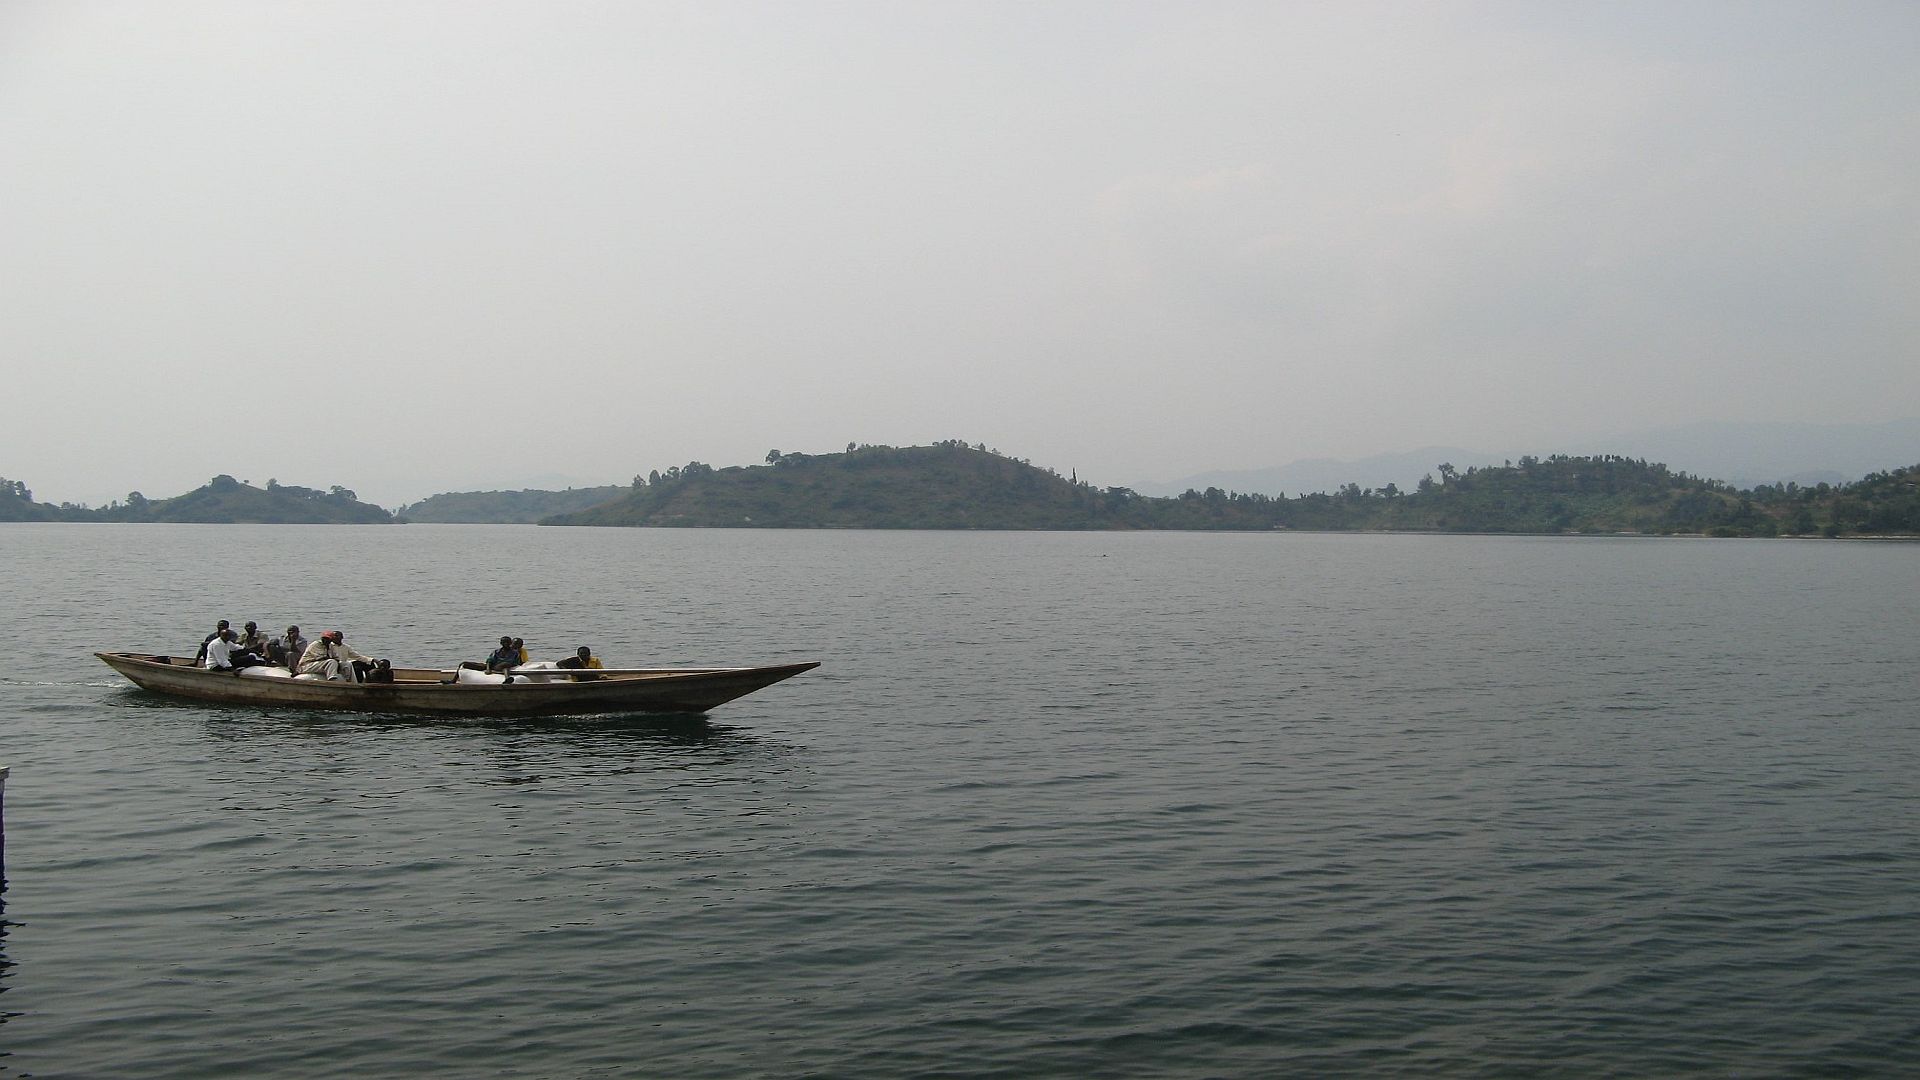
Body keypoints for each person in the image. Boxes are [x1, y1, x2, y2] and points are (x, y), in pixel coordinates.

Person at [298, 630, 378, 682]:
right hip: (309, 664)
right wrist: (335, 660)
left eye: (328, 639)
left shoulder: (337, 647)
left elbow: (357, 656)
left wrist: (373, 660)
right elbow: (322, 657)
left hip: (326, 665)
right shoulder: (316, 644)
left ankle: (352, 683)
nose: (325, 640)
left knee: (347, 664)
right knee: (331, 661)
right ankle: (332, 679)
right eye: (324, 638)